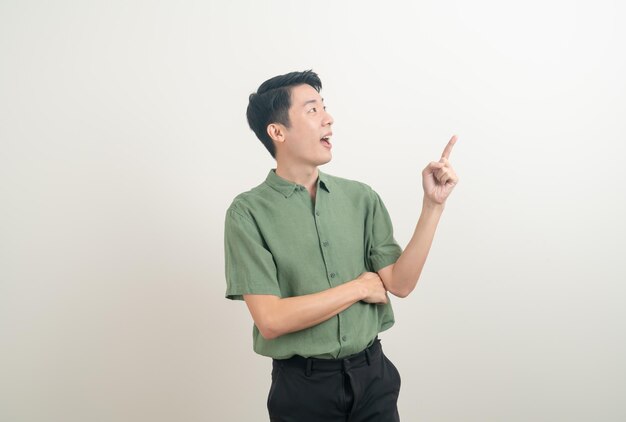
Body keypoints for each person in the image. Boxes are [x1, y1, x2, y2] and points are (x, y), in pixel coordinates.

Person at [224, 70, 459, 421]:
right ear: (277, 132)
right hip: (303, 390)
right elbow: (271, 320)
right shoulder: (247, 213)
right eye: (312, 110)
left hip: (373, 376)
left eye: (325, 107)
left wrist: (433, 206)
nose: (328, 119)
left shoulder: (361, 198)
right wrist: (359, 287)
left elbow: (400, 283)